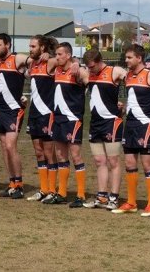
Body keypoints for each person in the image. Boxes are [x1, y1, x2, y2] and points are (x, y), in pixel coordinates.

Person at [111, 44, 150, 216]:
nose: (126, 60)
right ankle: (131, 202)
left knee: (147, 165)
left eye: (129, 57)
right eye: (126, 57)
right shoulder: (128, 76)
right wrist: (123, 108)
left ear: (139, 58)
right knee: (129, 163)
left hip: (146, 126)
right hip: (130, 125)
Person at [82, 49, 128, 210]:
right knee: (99, 161)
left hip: (111, 123)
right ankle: (101, 196)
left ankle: (114, 197)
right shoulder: (89, 72)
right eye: (88, 67)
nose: (90, 70)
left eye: (92, 66)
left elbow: (132, 78)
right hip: (95, 124)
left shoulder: (113, 71)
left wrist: (126, 104)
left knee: (113, 161)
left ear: (100, 61)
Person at [50, 42, 89, 207]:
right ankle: (62, 193)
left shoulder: (77, 71)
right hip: (58, 118)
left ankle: (81, 195)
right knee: (60, 156)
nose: (57, 57)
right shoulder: (57, 69)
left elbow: (90, 80)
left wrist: (78, 64)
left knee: (76, 156)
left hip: (72, 118)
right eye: (56, 54)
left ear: (68, 55)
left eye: (59, 54)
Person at [0, 33, 29, 199]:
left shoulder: (17, 59)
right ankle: (11, 183)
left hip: (14, 110)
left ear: (7, 44)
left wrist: (44, 55)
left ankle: (20, 185)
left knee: (10, 146)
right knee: (4, 148)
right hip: (0, 109)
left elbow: (34, 62)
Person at [24, 35, 59, 202]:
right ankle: (44, 189)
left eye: (33, 46)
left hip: (47, 113)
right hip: (34, 114)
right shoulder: (31, 64)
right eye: (29, 46)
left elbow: (69, 60)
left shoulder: (50, 62)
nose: (30, 49)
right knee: (39, 153)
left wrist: (52, 56)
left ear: (42, 48)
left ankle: (53, 190)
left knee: (49, 153)